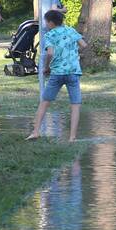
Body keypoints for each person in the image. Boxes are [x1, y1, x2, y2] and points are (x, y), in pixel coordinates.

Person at [27, 10, 87, 143]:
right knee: (75, 104)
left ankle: (36, 131)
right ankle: (72, 137)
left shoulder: (50, 35)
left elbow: (50, 53)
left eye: (46, 22)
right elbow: (83, 44)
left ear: (50, 22)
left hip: (57, 73)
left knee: (45, 102)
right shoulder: (71, 30)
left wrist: (46, 67)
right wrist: (74, 54)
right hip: (73, 72)